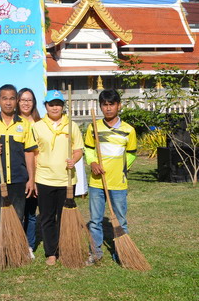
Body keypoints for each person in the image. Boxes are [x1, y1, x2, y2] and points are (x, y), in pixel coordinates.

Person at [0, 84, 38, 268]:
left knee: (17, 217)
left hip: (18, 179)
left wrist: (31, 178)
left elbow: (29, 153)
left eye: (12, 98)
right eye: (4, 98)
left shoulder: (24, 125)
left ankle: (15, 251)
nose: (8, 102)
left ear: (16, 101)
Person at [84, 89, 137, 264]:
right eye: (104, 105)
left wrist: (122, 168)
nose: (108, 108)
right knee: (95, 220)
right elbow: (89, 149)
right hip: (97, 183)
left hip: (118, 183)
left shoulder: (128, 130)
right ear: (100, 106)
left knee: (120, 220)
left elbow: (131, 153)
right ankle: (96, 252)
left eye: (111, 104)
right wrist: (93, 163)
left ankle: (121, 253)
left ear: (118, 105)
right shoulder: (93, 127)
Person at [32, 90, 84, 266]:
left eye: (58, 104)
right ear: (45, 106)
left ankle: (66, 248)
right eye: (51, 104)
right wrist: (33, 178)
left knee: (65, 217)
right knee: (47, 218)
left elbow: (78, 149)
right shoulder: (37, 127)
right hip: (44, 178)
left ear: (63, 106)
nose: (55, 107)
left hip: (66, 180)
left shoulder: (72, 125)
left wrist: (74, 160)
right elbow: (34, 153)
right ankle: (51, 253)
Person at [16, 87, 41, 258]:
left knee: (31, 212)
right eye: (23, 100)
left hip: (37, 172)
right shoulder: (13, 122)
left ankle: (29, 245)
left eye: (29, 100)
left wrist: (36, 176)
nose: (26, 103)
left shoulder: (40, 123)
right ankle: (16, 243)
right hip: (18, 172)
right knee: (18, 212)